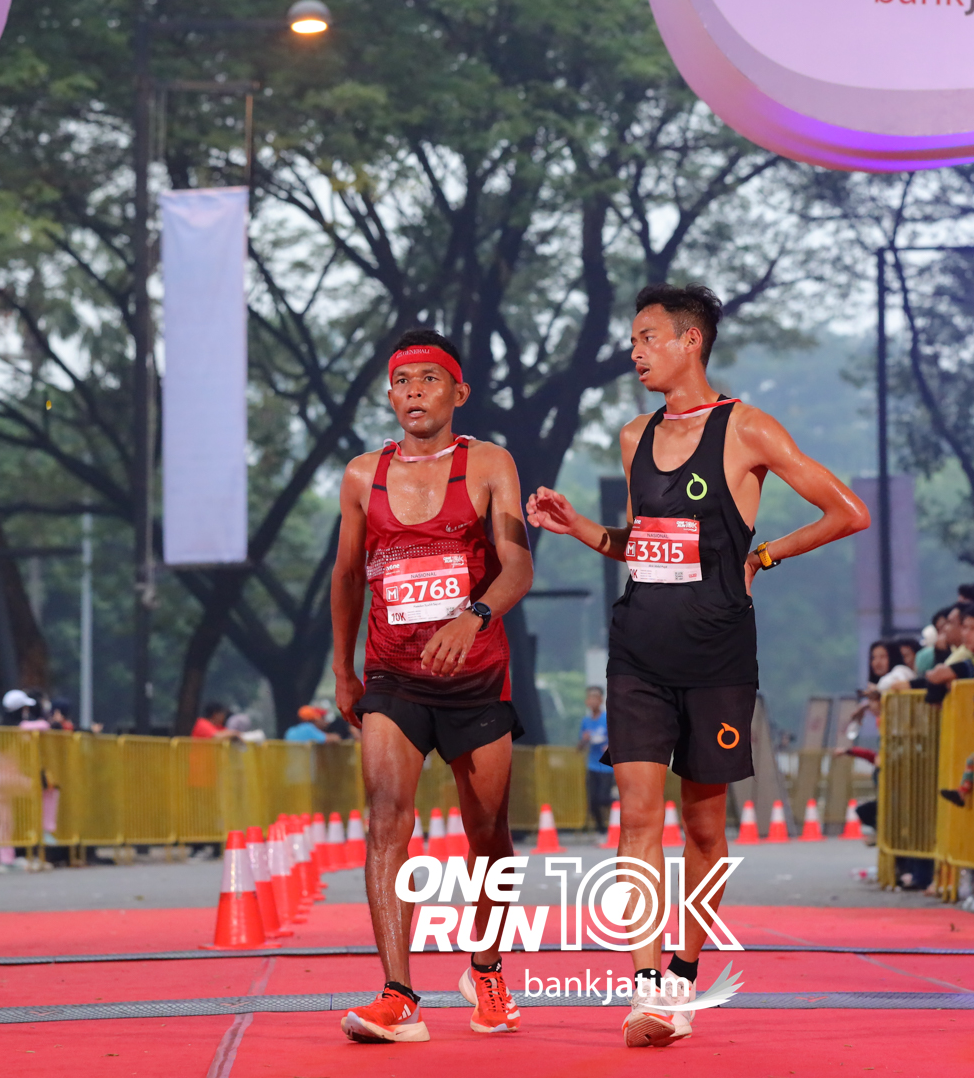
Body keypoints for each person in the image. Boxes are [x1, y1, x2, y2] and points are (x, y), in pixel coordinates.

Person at [526, 283, 868, 1049]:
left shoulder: (747, 428)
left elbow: (848, 512)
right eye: (633, 341)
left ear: (691, 341)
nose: (635, 352)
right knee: (638, 818)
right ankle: (648, 986)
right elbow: (642, 542)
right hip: (638, 651)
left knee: (705, 829)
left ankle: (684, 968)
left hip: (717, 656)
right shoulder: (633, 437)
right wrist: (581, 528)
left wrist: (765, 555)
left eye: (648, 338)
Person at [331, 329, 535, 1043]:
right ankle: (397, 993)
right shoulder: (362, 475)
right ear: (390, 396)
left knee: (489, 834)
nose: (413, 391)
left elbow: (518, 566)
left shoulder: (490, 464)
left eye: (428, 379)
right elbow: (347, 576)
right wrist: (343, 669)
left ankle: (486, 968)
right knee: (386, 819)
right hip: (393, 677)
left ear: (458, 392)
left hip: (477, 679)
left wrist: (474, 617)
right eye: (402, 381)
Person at [578, 686, 612, 831]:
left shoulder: (607, 718)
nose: (592, 701)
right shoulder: (585, 721)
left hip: (606, 766)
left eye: (595, 698)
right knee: (592, 801)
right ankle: (601, 828)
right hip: (592, 765)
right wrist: (584, 739)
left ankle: (618, 805)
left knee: (603, 798)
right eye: (589, 698)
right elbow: (579, 748)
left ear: (601, 700)